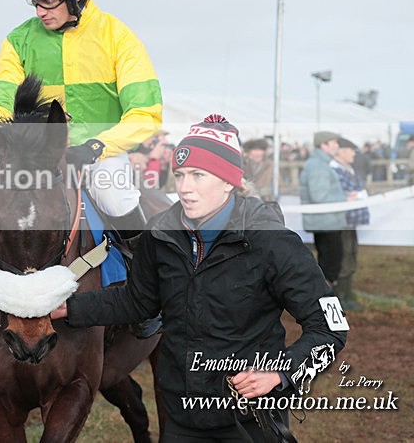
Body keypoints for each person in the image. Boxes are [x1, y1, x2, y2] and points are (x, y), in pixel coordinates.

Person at [52, 115, 347, 441]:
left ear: (229, 182)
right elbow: (138, 301)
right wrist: (69, 307)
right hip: (180, 414)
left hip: (250, 417)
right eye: (179, 175)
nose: (184, 187)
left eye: (198, 175)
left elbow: (330, 328)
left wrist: (281, 373)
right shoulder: (161, 234)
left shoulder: (273, 242)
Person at [0, 0, 163, 234]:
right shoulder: (19, 40)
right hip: (33, 156)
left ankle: (143, 272)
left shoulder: (118, 37)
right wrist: (7, 148)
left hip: (99, 155)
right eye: (35, 1)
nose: (40, 10)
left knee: (114, 197)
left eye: (49, 1)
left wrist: (98, 146)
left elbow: (145, 113)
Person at [299, 131, 349, 286]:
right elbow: (319, 197)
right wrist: (346, 199)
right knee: (330, 268)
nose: (337, 146)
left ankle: (323, 301)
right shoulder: (318, 166)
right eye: (334, 142)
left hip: (327, 222)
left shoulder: (320, 164)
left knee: (327, 265)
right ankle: (323, 302)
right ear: (323, 145)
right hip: (326, 223)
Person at [330, 137, 369, 312]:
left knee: (351, 255)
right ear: (341, 151)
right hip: (342, 220)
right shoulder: (335, 170)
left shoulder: (347, 169)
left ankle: (347, 295)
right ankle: (340, 298)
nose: (353, 154)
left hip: (350, 220)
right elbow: (343, 194)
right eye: (350, 150)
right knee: (344, 257)